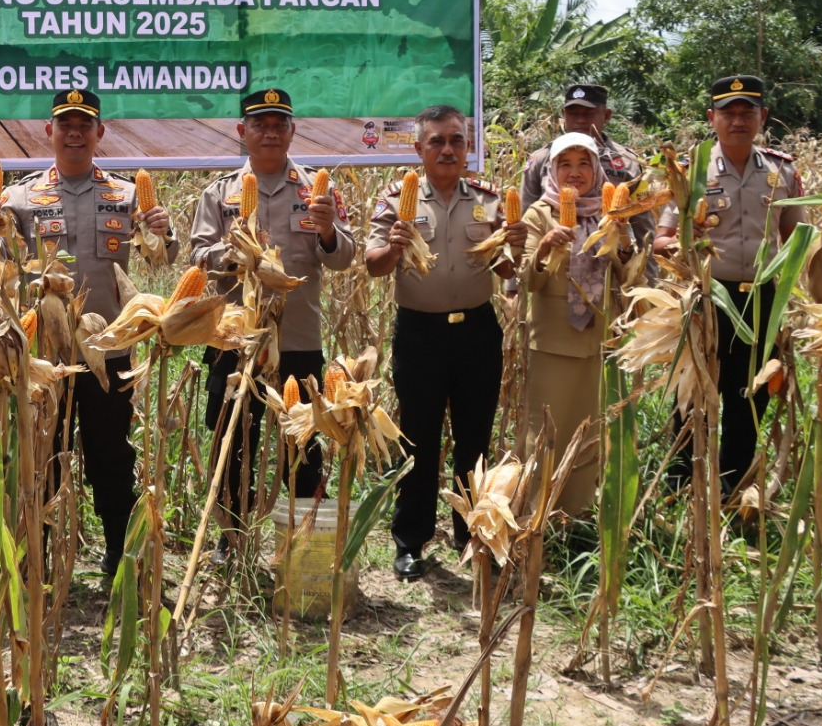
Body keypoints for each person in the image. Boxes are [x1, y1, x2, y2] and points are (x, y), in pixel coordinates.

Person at [0, 88, 177, 575]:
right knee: (41, 457)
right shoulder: (19, 198)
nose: (76, 132)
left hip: (108, 349)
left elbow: (162, 259)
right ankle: (35, 555)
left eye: (85, 124)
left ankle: (118, 556)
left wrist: (163, 232)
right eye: (66, 124)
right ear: (50, 132)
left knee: (111, 455)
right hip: (43, 354)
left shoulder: (125, 196)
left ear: (100, 132)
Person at [188, 87, 355, 562]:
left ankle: (304, 540)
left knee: (301, 442)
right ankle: (232, 536)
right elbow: (198, 256)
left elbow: (345, 256)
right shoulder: (218, 193)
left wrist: (326, 230)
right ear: (242, 132)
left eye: (279, 124)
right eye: (259, 124)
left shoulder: (317, 192)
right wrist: (234, 252)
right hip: (234, 339)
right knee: (231, 440)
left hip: (298, 339)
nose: (270, 132)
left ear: (292, 131)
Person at [365, 106, 526, 580]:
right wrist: (394, 246)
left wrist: (510, 245)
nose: (448, 149)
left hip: (477, 330)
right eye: (436, 141)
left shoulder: (490, 200)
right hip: (420, 333)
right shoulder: (397, 201)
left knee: (474, 438)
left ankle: (473, 534)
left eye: (456, 140)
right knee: (419, 438)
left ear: (467, 147)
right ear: (419, 149)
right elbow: (373, 265)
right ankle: (411, 541)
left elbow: (508, 274)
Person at [653, 75, 801, 496]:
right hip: (706, 300)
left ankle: (735, 488)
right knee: (694, 394)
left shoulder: (782, 171)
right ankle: (682, 489)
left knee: (750, 395)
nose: (738, 120)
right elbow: (661, 243)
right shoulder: (690, 171)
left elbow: (796, 237)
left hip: (760, 300)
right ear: (712, 118)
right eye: (728, 112)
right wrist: (687, 243)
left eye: (746, 112)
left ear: (762, 117)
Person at [519, 133, 633, 518]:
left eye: (583, 163)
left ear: (596, 170)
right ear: (551, 170)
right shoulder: (539, 214)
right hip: (552, 341)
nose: (574, 173)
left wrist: (623, 243)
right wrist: (546, 246)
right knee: (546, 434)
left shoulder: (610, 213)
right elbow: (526, 280)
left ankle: (577, 516)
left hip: (600, 340)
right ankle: (535, 516)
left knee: (591, 432)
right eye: (565, 164)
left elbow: (629, 276)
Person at [520, 84, 653, 253]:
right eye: (573, 114)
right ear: (563, 115)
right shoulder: (541, 159)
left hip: (609, 261)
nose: (580, 120)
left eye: (588, 113)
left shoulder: (628, 162)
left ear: (606, 115)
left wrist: (646, 275)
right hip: (553, 266)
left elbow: (644, 227)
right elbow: (523, 224)